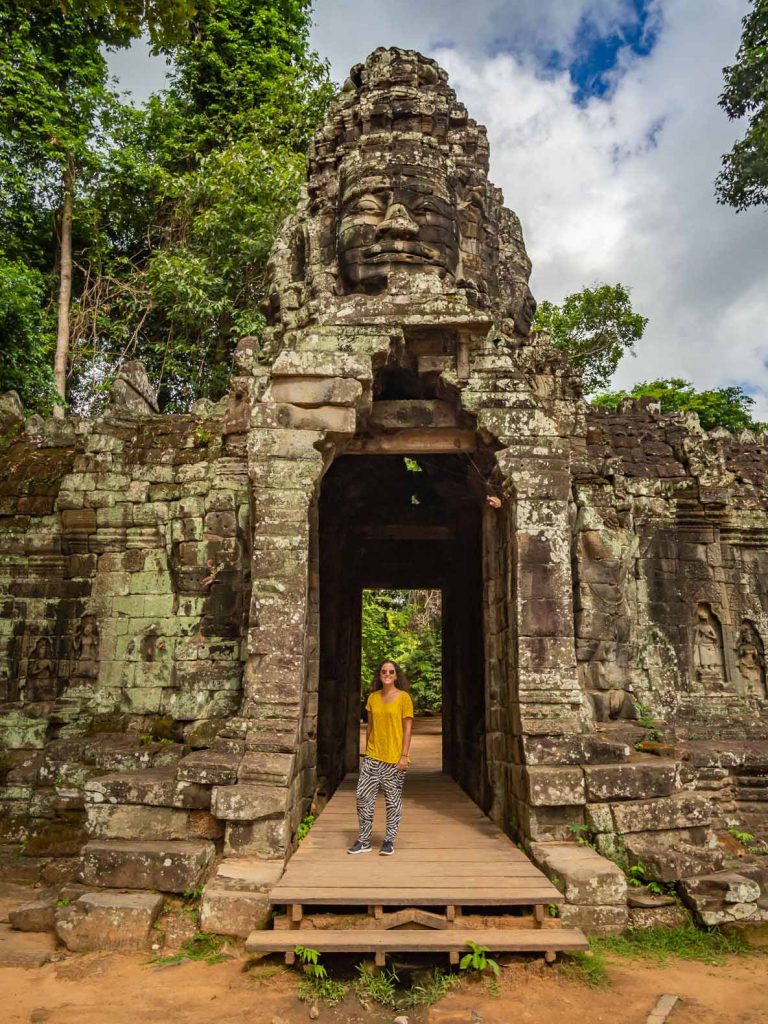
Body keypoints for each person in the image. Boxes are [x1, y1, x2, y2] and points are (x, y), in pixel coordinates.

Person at [347, 659, 414, 856]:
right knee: (362, 797)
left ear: (396, 676)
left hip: (394, 758)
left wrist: (404, 756)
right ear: (379, 675)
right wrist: (367, 751)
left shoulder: (404, 698)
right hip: (373, 757)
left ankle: (388, 840)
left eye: (391, 672)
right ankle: (364, 840)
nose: (387, 674)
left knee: (392, 800)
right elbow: (370, 727)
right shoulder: (372, 699)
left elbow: (407, 729)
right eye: (384, 671)